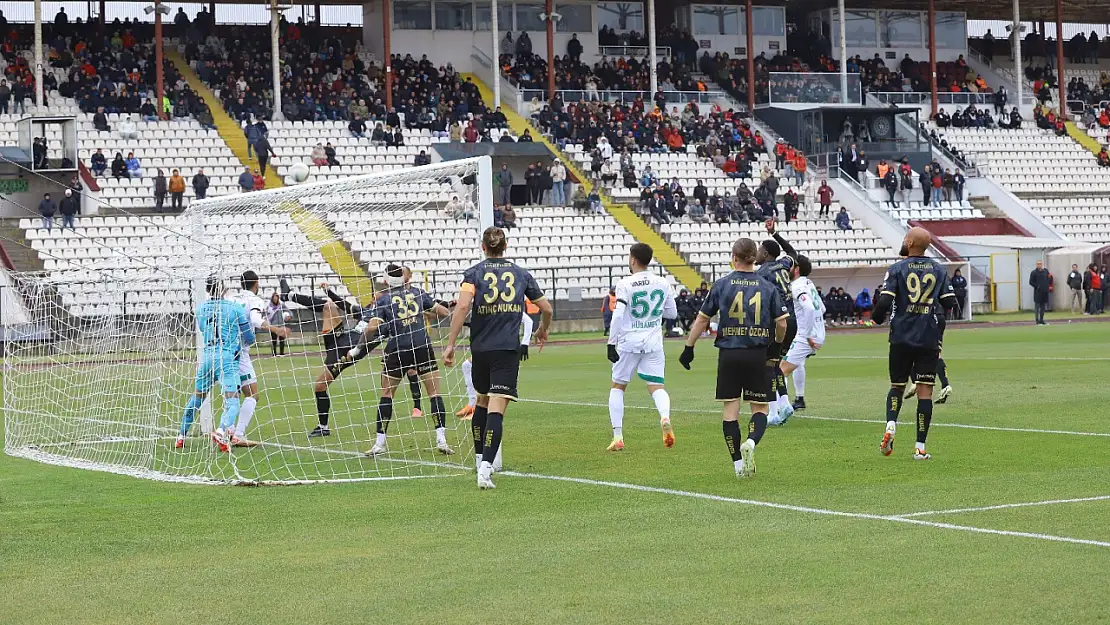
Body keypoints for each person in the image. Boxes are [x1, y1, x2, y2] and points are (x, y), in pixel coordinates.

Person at [443, 227, 553, 489]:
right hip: (506, 349)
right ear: (505, 246)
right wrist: (542, 329)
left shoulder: (473, 273)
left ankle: (480, 457)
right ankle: (486, 469)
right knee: (497, 407)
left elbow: (462, 306)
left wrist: (449, 344)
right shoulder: (521, 274)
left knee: (481, 401)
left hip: (480, 348)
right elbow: (546, 308)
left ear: (483, 247)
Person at [679, 238, 789, 477]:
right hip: (758, 353)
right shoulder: (767, 286)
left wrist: (689, 347)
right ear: (754, 257)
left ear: (734, 256)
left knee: (730, 411)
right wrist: (776, 346)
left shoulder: (721, 284)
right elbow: (782, 323)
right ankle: (750, 442)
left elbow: (702, 319)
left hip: (729, 354)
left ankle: (738, 465)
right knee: (760, 409)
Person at [872, 227, 959, 460]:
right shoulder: (939, 270)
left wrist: (876, 318)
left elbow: (884, 302)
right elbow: (951, 302)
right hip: (928, 337)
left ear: (910, 242)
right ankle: (920, 447)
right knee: (925, 393)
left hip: (900, 336)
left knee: (897, 386)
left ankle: (891, 424)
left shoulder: (897, 269)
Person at [350, 264, 454, 456]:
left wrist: (357, 348)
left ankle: (379, 443)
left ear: (386, 281)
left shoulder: (384, 300)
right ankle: (441, 439)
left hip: (398, 348)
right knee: (434, 393)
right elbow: (442, 311)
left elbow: (372, 328)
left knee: (387, 393)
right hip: (422, 346)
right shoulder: (417, 292)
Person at [605, 243, 678, 452]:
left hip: (628, 343)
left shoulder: (625, 283)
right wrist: (651, 317)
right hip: (653, 342)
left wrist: (611, 342)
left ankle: (618, 436)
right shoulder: (662, 282)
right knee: (657, 387)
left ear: (633, 259)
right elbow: (672, 313)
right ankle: (664, 417)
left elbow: (618, 314)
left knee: (618, 386)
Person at [279, 279, 375, 437]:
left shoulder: (384, 320)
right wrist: (328, 291)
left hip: (346, 351)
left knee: (320, 386)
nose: (374, 298)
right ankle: (288, 295)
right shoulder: (367, 312)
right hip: (340, 338)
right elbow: (343, 304)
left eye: (377, 297)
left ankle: (323, 427)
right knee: (328, 305)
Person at [174, 276, 256, 451]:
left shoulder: (201, 309)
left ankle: (181, 436)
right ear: (224, 289)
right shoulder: (235, 308)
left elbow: (204, 330)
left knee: (197, 397)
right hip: (227, 359)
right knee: (233, 400)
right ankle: (220, 432)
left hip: (208, 357)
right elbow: (250, 337)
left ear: (208, 290)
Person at [757, 220, 799, 425]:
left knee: (767, 365)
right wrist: (776, 234)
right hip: (792, 321)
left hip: (776, 322)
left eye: (759, 250)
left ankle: (772, 412)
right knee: (775, 365)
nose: (756, 253)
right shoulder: (783, 264)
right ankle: (785, 403)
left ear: (765, 254)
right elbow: (792, 251)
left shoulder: (761, 273)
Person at [780, 255, 825, 413]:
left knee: (780, 371)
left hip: (807, 336)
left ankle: (782, 409)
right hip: (816, 333)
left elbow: (810, 308)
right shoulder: (809, 283)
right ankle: (798, 399)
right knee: (795, 365)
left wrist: (807, 335)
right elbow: (821, 308)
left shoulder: (797, 286)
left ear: (796, 269)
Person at [1029, 260, 1051, 325]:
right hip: (1038, 293)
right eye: (1038, 264)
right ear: (1036, 265)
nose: (1039, 265)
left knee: (1043, 307)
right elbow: (1031, 282)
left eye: (1040, 264)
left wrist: (1047, 286)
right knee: (1037, 307)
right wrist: (1037, 286)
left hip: (1044, 292)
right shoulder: (1033, 272)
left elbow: (1048, 279)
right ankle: (1037, 321)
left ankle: (1042, 320)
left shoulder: (1045, 271)